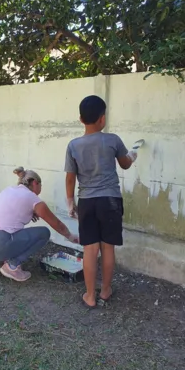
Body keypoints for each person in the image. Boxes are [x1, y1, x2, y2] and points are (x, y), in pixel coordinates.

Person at [64, 95, 138, 308]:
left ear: (80, 119)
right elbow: (125, 164)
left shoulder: (73, 145)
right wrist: (132, 155)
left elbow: (70, 177)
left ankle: (90, 295)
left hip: (87, 201)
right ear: (102, 119)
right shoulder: (113, 140)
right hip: (110, 201)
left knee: (90, 249)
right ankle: (105, 291)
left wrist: (70, 202)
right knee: (108, 248)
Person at [0, 167, 79, 282]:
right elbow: (57, 224)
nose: (40, 189)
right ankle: (12, 266)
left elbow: (6, 216)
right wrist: (71, 237)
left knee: (10, 230)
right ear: (36, 183)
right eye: (41, 186)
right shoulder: (33, 198)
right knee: (44, 233)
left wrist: (29, 214)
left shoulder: (9, 190)